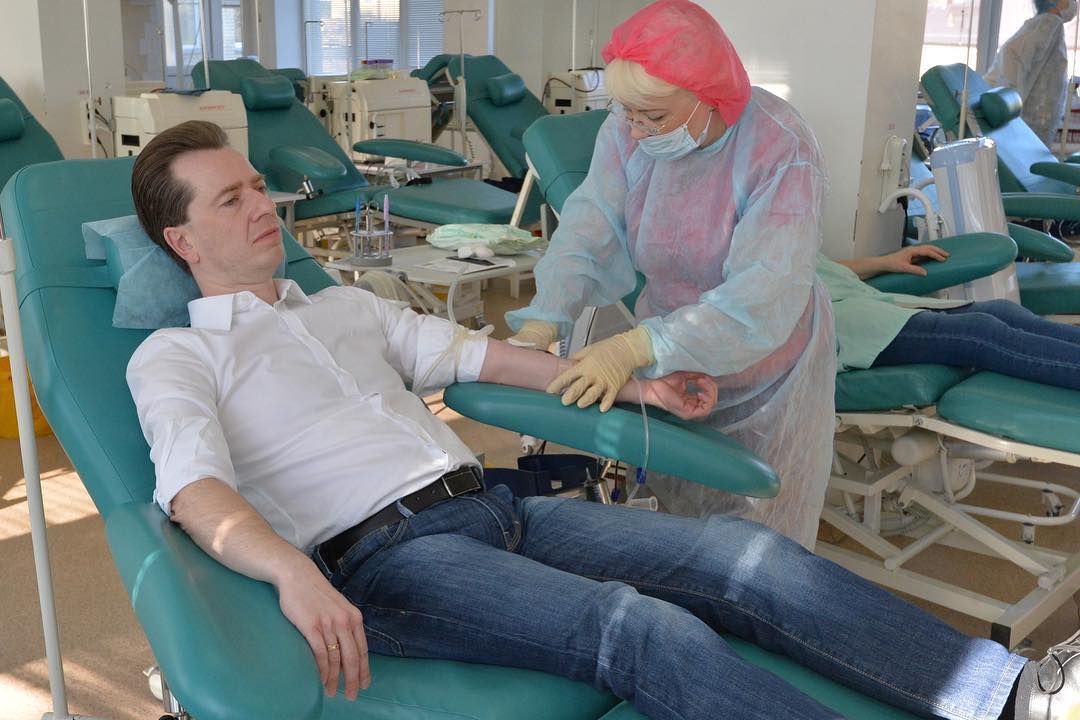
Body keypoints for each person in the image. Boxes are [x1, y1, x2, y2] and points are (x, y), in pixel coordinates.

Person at [125, 121, 1080, 720]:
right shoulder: (175, 355)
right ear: (181, 239)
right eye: (232, 198)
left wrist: (633, 385)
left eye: (257, 186)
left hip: (497, 506)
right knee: (644, 630)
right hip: (391, 560)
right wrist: (292, 571)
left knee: (747, 556)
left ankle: (1009, 696)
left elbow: (487, 359)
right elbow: (193, 489)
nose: (263, 205)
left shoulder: (344, 305)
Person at [504, 0, 835, 549]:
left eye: (654, 118)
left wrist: (636, 347)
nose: (636, 131)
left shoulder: (781, 146)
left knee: (762, 540)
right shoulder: (627, 129)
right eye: (627, 113)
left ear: (712, 98)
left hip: (765, 366)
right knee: (677, 529)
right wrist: (545, 316)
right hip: (668, 360)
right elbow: (589, 227)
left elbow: (762, 295)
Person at [822, 244, 1080, 387]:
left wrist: (886, 261)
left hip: (860, 299)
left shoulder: (797, 234)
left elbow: (817, 266)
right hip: (839, 325)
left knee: (1001, 310)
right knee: (980, 333)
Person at [985, 0, 1078, 147]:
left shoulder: (1049, 23)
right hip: (1032, 117)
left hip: (1035, 116)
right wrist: (1011, 92)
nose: (1074, 3)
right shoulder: (1049, 22)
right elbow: (1012, 52)